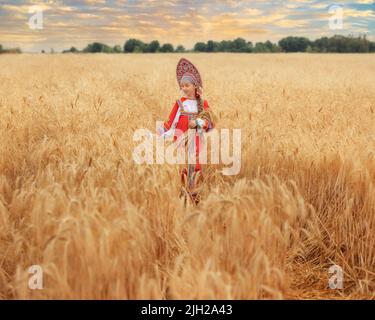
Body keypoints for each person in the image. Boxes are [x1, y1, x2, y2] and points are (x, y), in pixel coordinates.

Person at [157, 58, 215, 205]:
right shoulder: (179, 103)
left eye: (187, 85)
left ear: (195, 86)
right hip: (180, 138)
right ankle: (182, 195)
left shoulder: (203, 104)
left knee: (195, 165)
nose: (184, 88)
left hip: (196, 138)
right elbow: (171, 122)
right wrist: (162, 132)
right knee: (182, 165)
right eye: (182, 86)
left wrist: (198, 122)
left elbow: (210, 123)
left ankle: (195, 194)